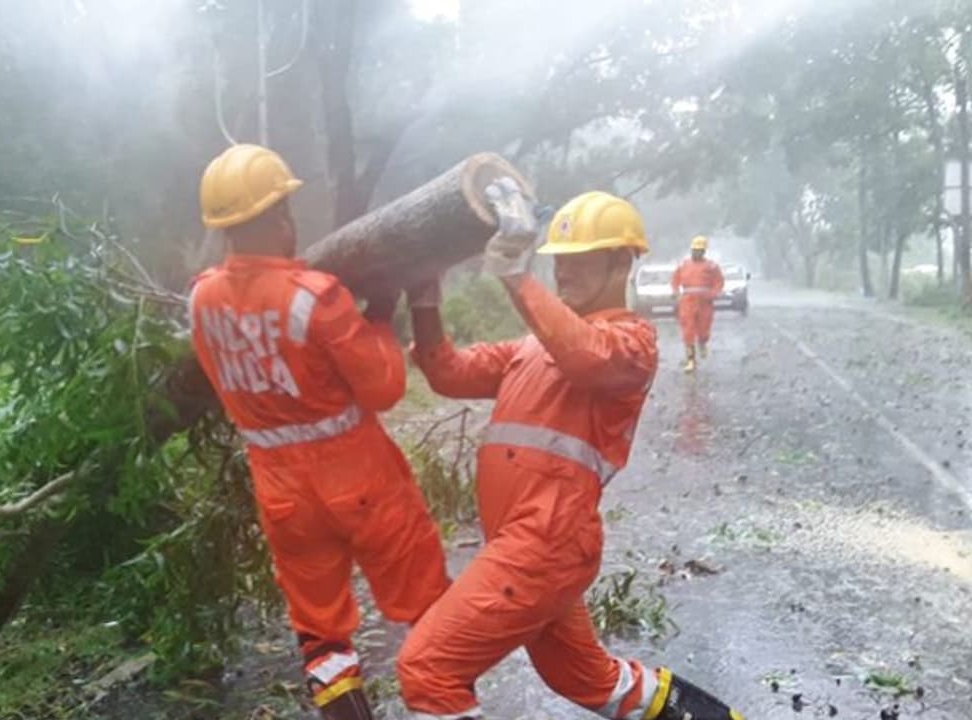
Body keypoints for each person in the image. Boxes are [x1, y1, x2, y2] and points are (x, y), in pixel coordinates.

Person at [396, 185, 744, 720]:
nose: (564, 272)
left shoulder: (631, 344)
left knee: (428, 668)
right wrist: (424, 299)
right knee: (585, 677)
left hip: (544, 543)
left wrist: (517, 275)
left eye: (580, 259)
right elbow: (446, 372)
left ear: (621, 260)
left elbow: (586, 356)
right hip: (531, 544)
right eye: (559, 260)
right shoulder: (533, 347)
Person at [189, 144, 450, 720]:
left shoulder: (201, 298)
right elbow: (383, 387)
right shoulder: (314, 296)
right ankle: (446, 706)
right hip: (358, 477)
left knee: (320, 629)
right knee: (428, 604)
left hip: (281, 491)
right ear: (278, 214)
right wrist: (380, 315)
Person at [670, 235, 725, 372]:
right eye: (694, 250)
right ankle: (691, 360)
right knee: (688, 331)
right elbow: (675, 280)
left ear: (704, 252)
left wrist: (713, 294)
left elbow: (719, 282)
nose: (696, 253)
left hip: (705, 302)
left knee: (703, 329)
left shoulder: (712, 266)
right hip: (687, 301)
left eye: (699, 250)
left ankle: (702, 342)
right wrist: (676, 292)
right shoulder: (684, 265)